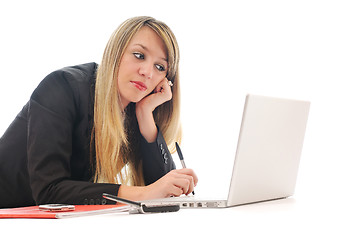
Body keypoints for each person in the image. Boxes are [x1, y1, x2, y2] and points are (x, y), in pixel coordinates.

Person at [0, 16, 197, 208]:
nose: (148, 72)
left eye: (160, 67)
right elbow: (49, 191)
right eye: (139, 55)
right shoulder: (62, 87)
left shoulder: (134, 111)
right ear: (116, 52)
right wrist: (143, 193)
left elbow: (163, 191)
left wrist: (145, 115)